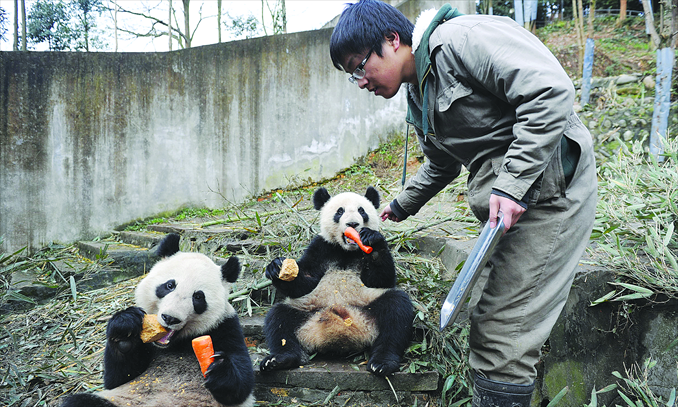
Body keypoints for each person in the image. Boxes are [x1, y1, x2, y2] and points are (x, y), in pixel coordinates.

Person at [329, 1, 598, 406]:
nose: (360, 80)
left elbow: (550, 92)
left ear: (392, 39)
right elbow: (441, 163)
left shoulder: (460, 40)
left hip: (550, 192)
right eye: (352, 75)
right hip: (512, 206)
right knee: (485, 316)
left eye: (359, 65)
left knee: (502, 334)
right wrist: (400, 206)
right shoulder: (418, 91)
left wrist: (509, 185)